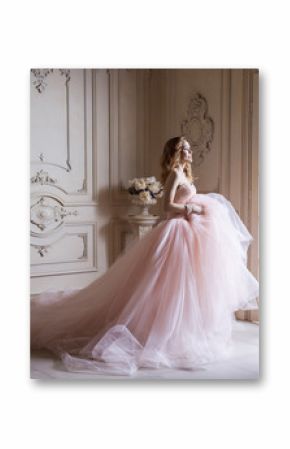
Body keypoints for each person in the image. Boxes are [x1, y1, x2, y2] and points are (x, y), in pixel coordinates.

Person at [30, 136, 259, 376]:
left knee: (185, 285)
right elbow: (167, 208)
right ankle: (158, 331)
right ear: (175, 152)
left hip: (188, 231)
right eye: (185, 148)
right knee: (165, 285)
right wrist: (193, 208)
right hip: (177, 232)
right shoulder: (175, 175)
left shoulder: (185, 175)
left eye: (190, 148)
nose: (190, 152)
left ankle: (184, 331)